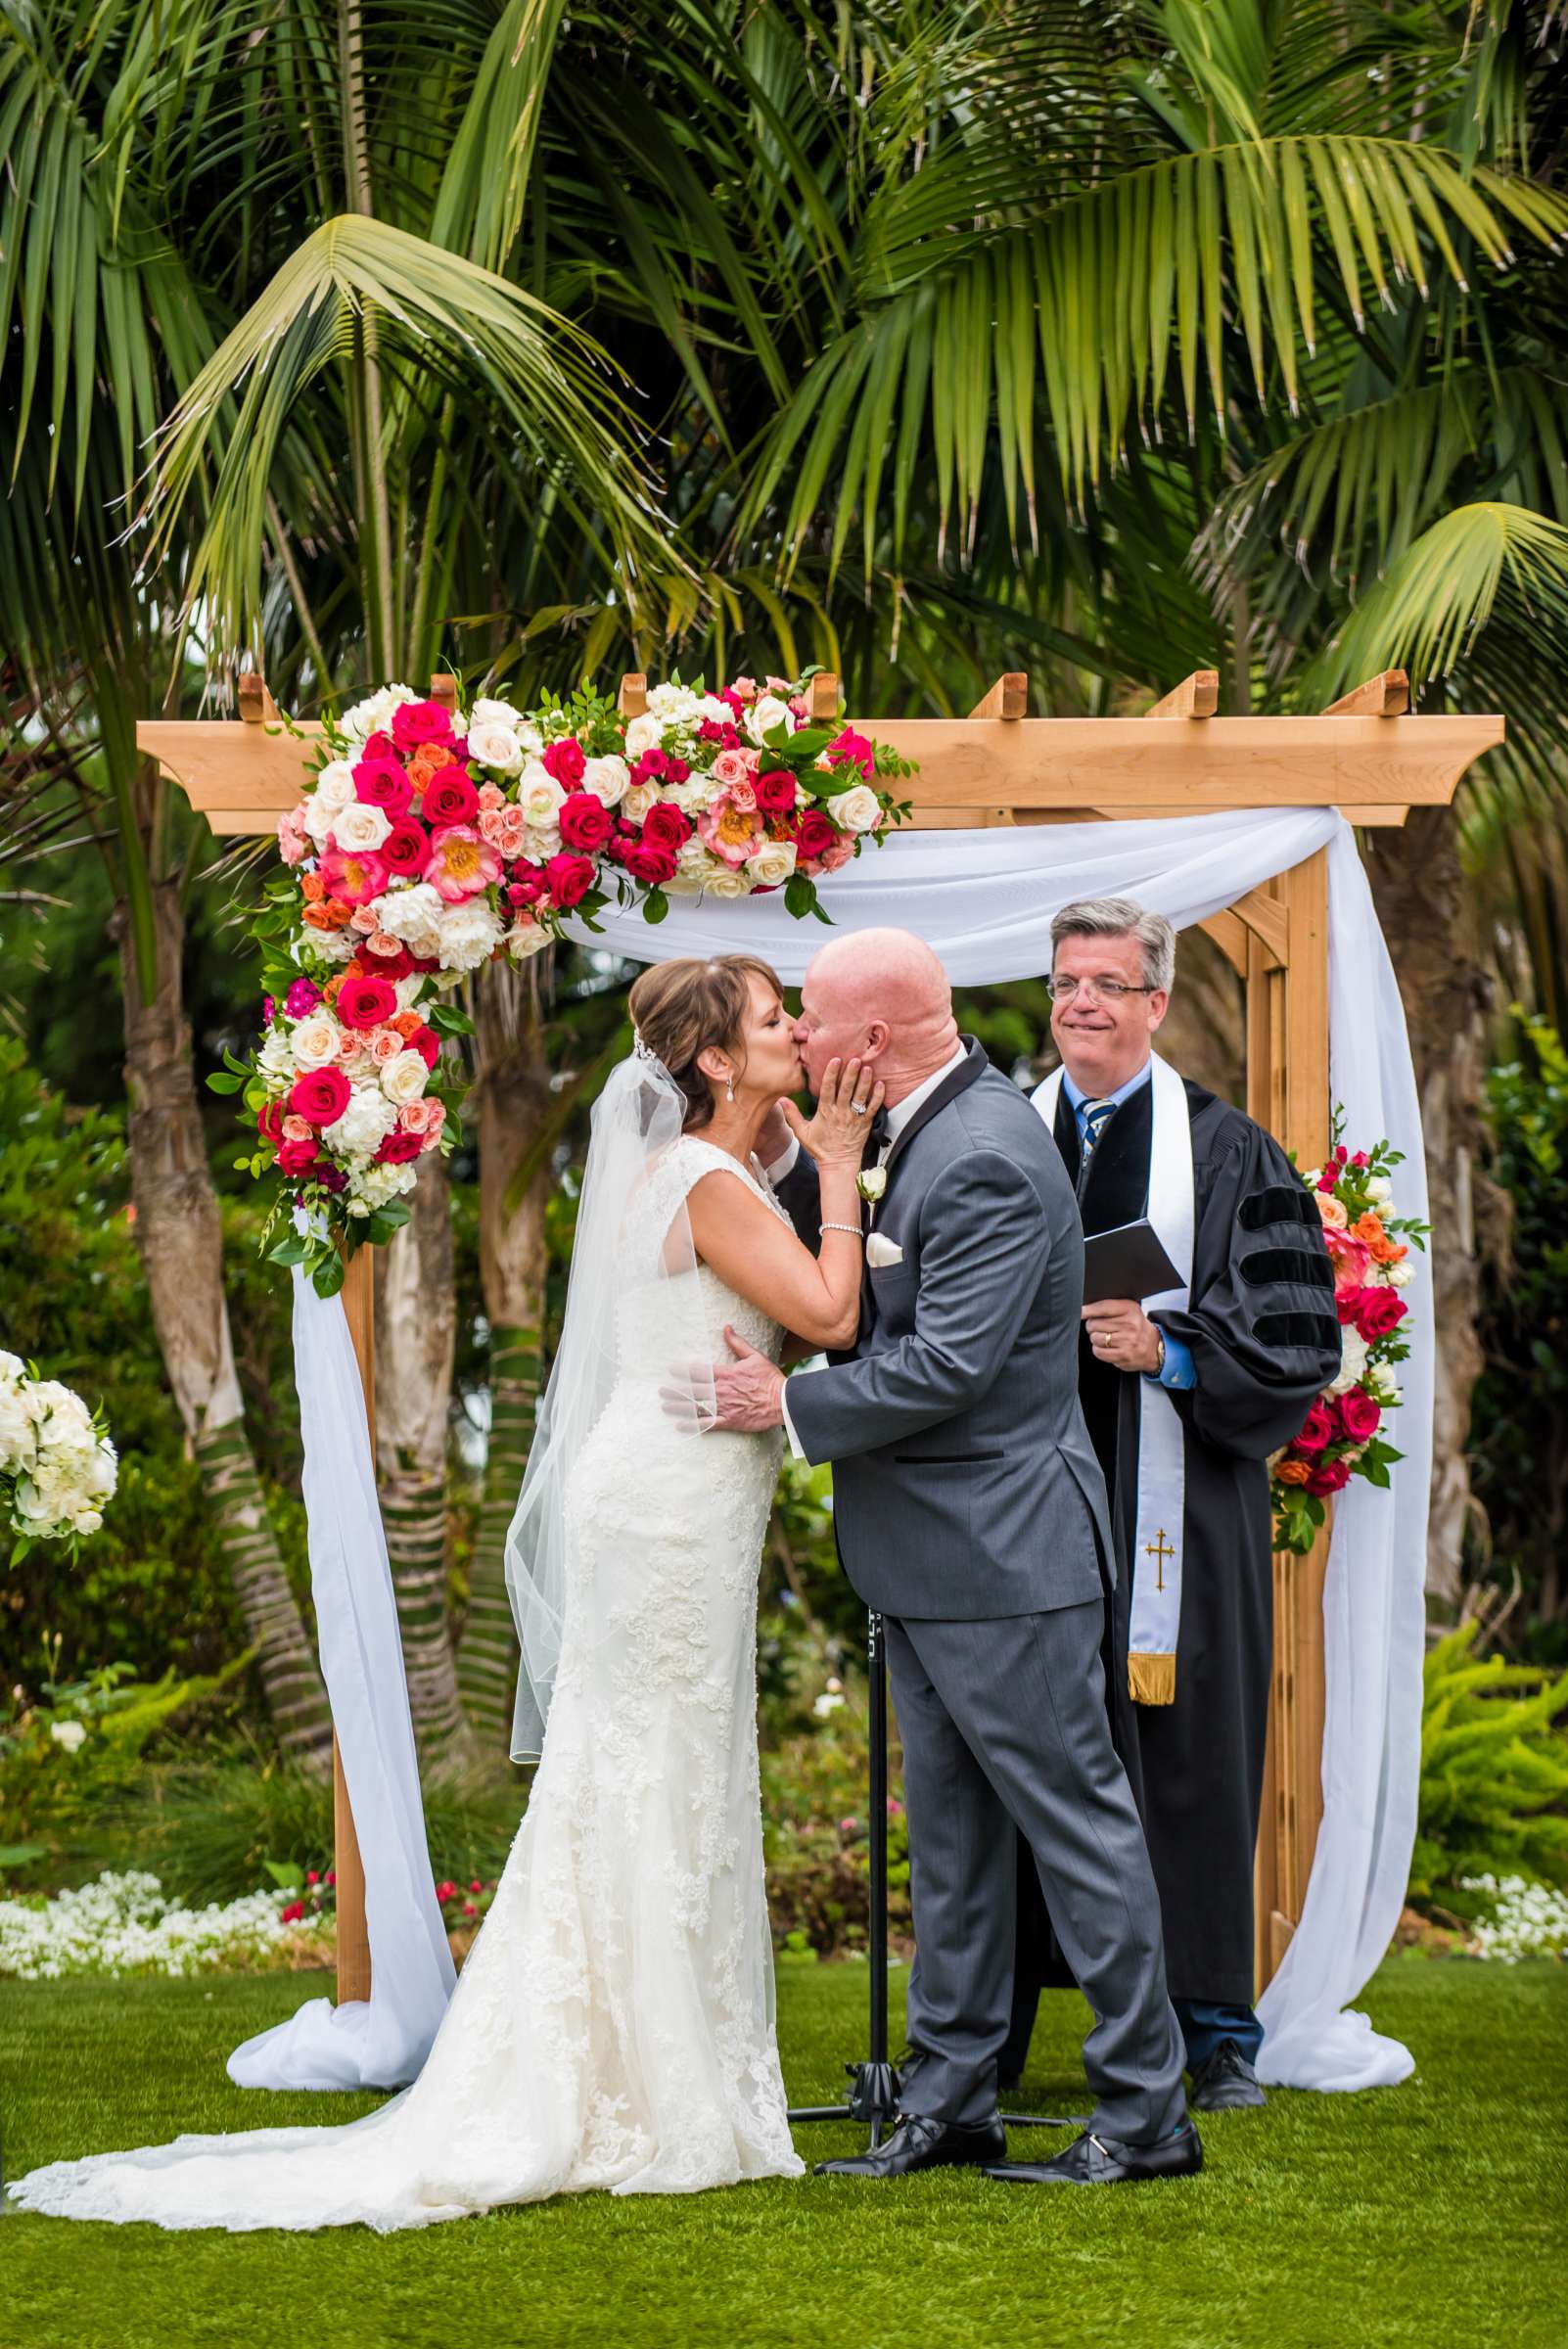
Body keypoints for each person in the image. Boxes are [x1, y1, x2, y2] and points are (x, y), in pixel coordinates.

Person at [9, 954, 885, 2232]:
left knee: (658, 1771)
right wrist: (848, 1164)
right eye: (768, 1021)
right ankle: (635, 2084)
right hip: (666, 1510)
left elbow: (778, 1320)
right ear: (711, 1060)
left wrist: (811, 1174)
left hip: (679, 1494)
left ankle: (648, 2059)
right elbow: (832, 1313)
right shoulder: (704, 1177)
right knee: (646, 1773)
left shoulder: (727, 1174)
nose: (794, 1032)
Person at [707, 927, 1200, 2188]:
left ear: (870, 1042)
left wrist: (792, 1410)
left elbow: (952, 1367)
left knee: (1078, 1834)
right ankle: (950, 2096)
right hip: (932, 1560)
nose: (803, 1040)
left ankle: (1148, 2114)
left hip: (1002, 1558)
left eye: (812, 1020)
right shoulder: (910, 1130)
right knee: (957, 1845)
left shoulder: (978, 1152)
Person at [1000, 898, 1341, 2113]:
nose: (1080, 1002)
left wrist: (1175, 1349)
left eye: (1106, 982)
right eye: (1064, 981)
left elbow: (1303, 1336)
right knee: (1030, 1747)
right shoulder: (1005, 1136)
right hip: (1026, 1503)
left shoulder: (1232, 1151)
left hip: (1178, 1511)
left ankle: (1211, 2026)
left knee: (1192, 1750)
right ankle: (1000, 2016)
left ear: (1155, 1002)